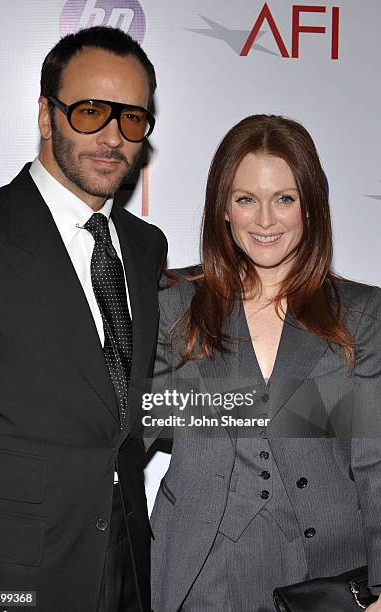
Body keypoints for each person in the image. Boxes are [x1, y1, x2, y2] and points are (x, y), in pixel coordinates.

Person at [148, 115, 381, 611]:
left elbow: (376, 461)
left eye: (285, 199)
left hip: (323, 578)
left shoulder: (361, 316)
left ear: (311, 208)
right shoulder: (174, 304)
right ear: (224, 211)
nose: (265, 220)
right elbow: (129, 428)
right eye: (246, 199)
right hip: (201, 574)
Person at [0, 26, 167, 612]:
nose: (113, 136)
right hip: (8, 574)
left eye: (132, 118)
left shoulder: (144, 246)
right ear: (45, 115)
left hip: (129, 566)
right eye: (89, 111)